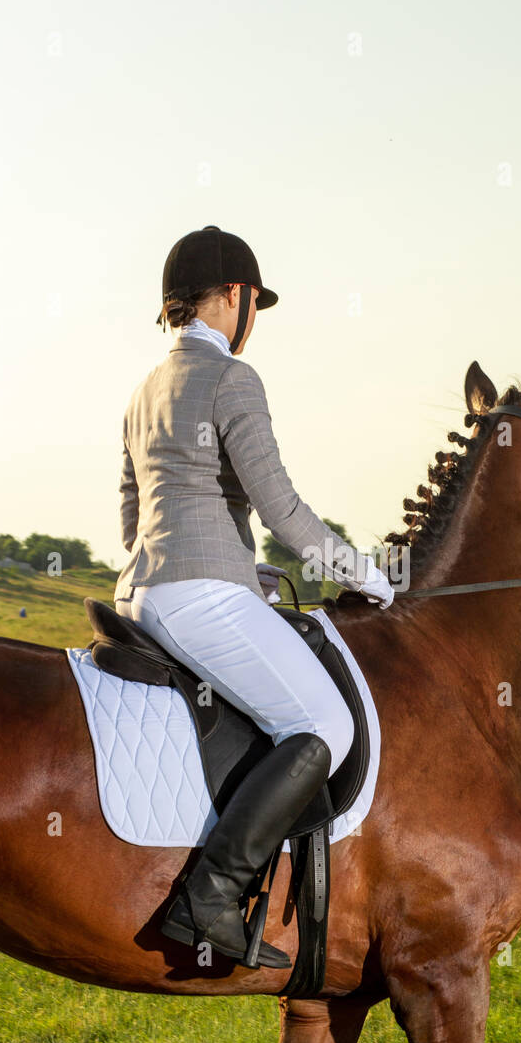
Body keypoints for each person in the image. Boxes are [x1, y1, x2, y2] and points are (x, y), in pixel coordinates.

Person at [114, 225, 394, 970]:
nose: (254, 321)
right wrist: (368, 574)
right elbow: (281, 507)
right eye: (254, 305)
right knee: (325, 722)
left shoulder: (145, 390)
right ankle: (212, 895)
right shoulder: (233, 379)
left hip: (143, 591)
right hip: (196, 597)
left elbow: (132, 518)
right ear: (235, 297)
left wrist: (246, 571)